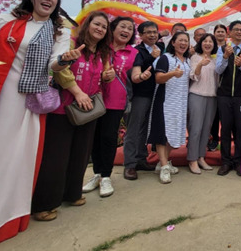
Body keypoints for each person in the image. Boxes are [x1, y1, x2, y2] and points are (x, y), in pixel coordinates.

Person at [0, 0, 75, 244]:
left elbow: (53, 63)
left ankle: (6, 217)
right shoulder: (3, 21)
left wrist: (63, 61)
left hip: (30, 102)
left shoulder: (59, 32)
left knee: (20, 158)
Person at [31, 11, 112, 222]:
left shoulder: (102, 53)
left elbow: (100, 78)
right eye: (97, 24)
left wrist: (107, 77)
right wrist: (77, 93)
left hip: (89, 109)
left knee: (81, 154)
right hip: (64, 108)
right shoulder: (70, 44)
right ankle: (44, 204)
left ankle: (72, 194)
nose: (100, 29)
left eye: (104, 27)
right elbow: (60, 70)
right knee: (56, 156)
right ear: (87, 25)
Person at [83, 16, 138, 198]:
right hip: (94, 97)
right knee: (94, 137)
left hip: (116, 100)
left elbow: (134, 75)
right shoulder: (101, 47)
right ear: (112, 29)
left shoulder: (133, 53)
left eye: (130, 28)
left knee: (108, 137)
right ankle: (97, 174)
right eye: (123, 26)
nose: (126, 31)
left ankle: (106, 176)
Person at [148, 31, 191, 184]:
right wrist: (172, 73)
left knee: (174, 132)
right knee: (162, 133)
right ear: (173, 42)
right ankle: (165, 166)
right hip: (165, 101)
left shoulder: (187, 61)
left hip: (180, 103)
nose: (183, 43)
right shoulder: (165, 58)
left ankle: (163, 162)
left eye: (186, 41)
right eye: (180, 40)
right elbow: (158, 78)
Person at [123, 21, 163, 181]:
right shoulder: (137, 51)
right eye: (148, 32)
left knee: (144, 129)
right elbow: (138, 72)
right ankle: (130, 165)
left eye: (155, 32)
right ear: (140, 35)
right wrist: (152, 59)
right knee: (134, 129)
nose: (152, 35)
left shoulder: (159, 48)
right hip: (140, 95)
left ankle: (141, 159)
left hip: (154, 95)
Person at [215, 20, 241, 176]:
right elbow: (218, 70)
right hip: (224, 96)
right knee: (225, 129)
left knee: (240, 130)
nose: (239, 32)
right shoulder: (222, 49)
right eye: (236, 29)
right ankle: (225, 162)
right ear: (229, 32)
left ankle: (238, 161)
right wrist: (226, 57)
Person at [188, 33, 219, 174]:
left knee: (206, 129)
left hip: (212, 97)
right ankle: (192, 159)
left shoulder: (215, 60)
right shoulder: (195, 58)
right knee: (195, 129)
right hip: (197, 95)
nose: (207, 44)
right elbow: (193, 76)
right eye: (205, 41)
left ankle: (201, 157)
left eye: (210, 42)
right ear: (200, 43)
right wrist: (200, 64)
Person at [208, 24, 228, 152]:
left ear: (226, 34)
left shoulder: (229, 48)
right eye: (218, 31)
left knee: (225, 117)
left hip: (225, 87)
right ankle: (214, 139)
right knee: (214, 116)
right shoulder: (210, 48)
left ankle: (225, 141)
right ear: (214, 33)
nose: (220, 34)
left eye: (222, 31)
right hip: (211, 85)